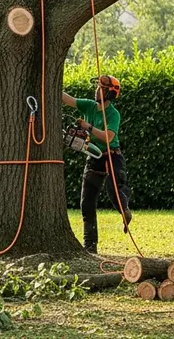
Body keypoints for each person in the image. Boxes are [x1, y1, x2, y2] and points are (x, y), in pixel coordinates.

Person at [62, 75, 131, 254]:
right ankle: (90, 246)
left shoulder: (113, 114)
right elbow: (68, 99)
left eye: (101, 87)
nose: (96, 90)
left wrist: (88, 127)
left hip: (111, 157)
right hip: (94, 157)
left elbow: (108, 137)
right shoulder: (89, 106)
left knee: (115, 192)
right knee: (87, 202)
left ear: (110, 93)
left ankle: (124, 210)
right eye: (97, 86)